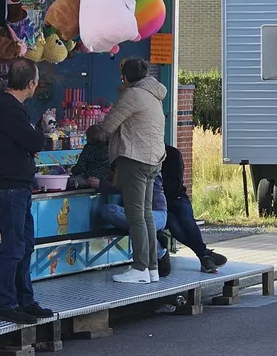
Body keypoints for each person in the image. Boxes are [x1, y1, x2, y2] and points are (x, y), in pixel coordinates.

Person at [0, 58, 53, 324]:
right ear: (31, 83)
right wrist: (42, 131)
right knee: (14, 247)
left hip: (17, 185)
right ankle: (6, 303)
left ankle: (25, 300)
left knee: (24, 245)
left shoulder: (8, 107)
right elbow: (34, 141)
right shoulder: (9, 108)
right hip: (10, 185)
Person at [97, 58, 167, 285]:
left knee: (135, 216)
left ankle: (139, 267)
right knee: (146, 215)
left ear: (126, 78)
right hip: (153, 160)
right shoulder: (154, 95)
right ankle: (151, 269)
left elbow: (108, 127)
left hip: (135, 159)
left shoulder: (132, 95)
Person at [160, 144, 228, 276]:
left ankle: (205, 256)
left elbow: (176, 183)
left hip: (176, 196)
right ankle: (205, 255)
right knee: (174, 224)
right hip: (159, 203)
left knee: (186, 218)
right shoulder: (146, 157)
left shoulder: (173, 154)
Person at [69, 125, 113, 189]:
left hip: (90, 180)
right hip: (107, 180)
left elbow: (81, 167)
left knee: (71, 180)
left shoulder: (88, 148)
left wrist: (72, 170)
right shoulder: (109, 147)